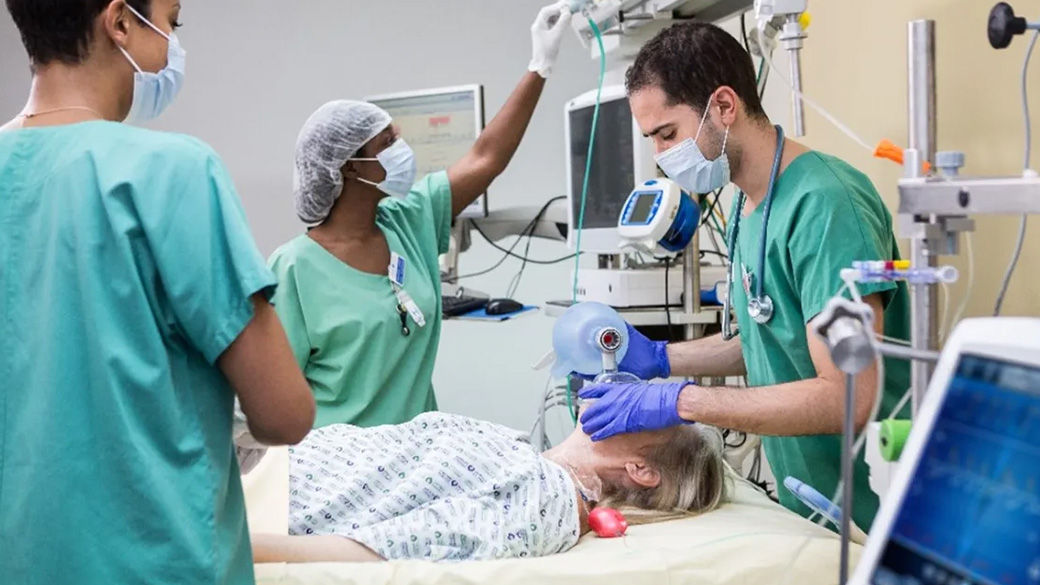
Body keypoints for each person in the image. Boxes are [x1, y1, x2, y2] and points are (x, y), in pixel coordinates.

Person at [0, 1, 315, 584]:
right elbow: (284, 413)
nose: (173, 43)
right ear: (121, 22)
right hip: (156, 564)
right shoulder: (172, 172)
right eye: (172, 21)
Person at [575, 22, 910, 532]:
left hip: (877, 508)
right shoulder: (748, 205)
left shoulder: (825, 206)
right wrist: (659, 359)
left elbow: (849, 397)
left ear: (724, 106)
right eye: (653, 140)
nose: (662, 158)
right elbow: (764, 336)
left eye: (668, 134)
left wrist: (681, 401)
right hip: (812, 502)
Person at [268, 2, 574, 428]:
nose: (401, 149)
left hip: (416, 451)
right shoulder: (293, 270)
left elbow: (486, 158)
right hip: (338, 458)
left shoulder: (408, 220)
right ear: (350, 167)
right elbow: (274, 401)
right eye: (387, 143)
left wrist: (539, 66)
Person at [242, 411, 726, 563]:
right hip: (255, 458)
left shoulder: (545, 504)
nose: (626, 396)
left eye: (648, 411)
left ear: (641, 470)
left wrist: (235, 546)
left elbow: (389, 547)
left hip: (260, 499)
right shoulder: (524, 456)